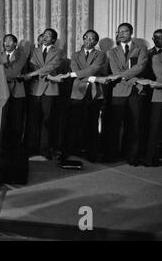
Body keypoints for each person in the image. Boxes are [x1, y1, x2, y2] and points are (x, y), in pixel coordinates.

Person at [59, 30, 108, 162]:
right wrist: (94, 78)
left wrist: (75, 75)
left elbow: (94, 68)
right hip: (77, 91)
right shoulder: (75, 55)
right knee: (72, 124)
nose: (88, 40)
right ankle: (67, 151)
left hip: (94, 93)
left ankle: (91, 154)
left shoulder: (101, 54)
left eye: (92, 39)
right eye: (86, 38)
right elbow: (75, 69)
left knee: (92, 124)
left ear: (96, 42)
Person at [105, 23, 148, 165]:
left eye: (125, 31)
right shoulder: (112, 51)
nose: (122, 34)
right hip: (118, 91)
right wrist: (132, 78)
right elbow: (115, 70)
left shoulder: (141, 48)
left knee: (134, 124)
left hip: (135, 91)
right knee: (114, 124)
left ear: (131, 33)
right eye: (120, 32)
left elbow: (140, 67)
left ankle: (132, 157)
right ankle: (111, 156)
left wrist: (123, 76)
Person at [24, 28, 63, 160]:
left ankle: (45, 149)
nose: (45, 37)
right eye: (44, 35)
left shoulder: (58, 52)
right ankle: (31, 148)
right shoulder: (35, 51)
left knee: (47, 120)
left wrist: (34, 74)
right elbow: (33, 65)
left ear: (53, 39)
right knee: (33, 120)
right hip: (35, 88)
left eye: (49, 36)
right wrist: (39, 72)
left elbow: (51, 67)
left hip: (50, 90)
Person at [0, 34, 28, 183]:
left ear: (15, 43)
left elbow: (14, 72)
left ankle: (15, 150)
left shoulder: (21, 56)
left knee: (16, 122)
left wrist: (4, 72)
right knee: (3, 122)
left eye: (9, 41)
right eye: (5, 41)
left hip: (18, 93)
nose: (6, 43)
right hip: (1, 92)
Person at [137, 29, 162, 166]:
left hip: (158, 90)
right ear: (152, 39)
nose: (158, 39)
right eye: (156, 37)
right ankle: (148, 156)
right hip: (147, 93)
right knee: (148, 125)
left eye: (161, 37)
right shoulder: (147, 53)